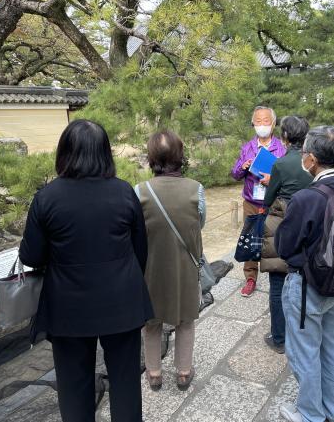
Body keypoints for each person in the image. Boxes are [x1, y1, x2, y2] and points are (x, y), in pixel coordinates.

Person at [19, 119, 153, 422]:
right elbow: (140, 250)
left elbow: (31, 256)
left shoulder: (47, 198)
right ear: (105, 153)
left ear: (64, 153)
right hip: (121, 301)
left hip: (68, 307)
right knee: (126, 382)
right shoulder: (123, 192)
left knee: (73, 385)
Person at [275, 126, 334, 422]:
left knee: (305, 352)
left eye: (304, 154)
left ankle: (311, 414)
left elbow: (285, 246)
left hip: (307, 286)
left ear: (311, 159)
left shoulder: (306, 198)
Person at [135, 130, 205, 392]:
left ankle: (154, 373)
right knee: (185, 319)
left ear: (152, 157)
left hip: (150, 267)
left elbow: (136, 231)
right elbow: (201, 223)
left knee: (150, 322)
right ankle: (184, 373)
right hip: (185, 265)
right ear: (180, 156)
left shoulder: (140, 191)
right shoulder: (195, 189)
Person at [260, 116, 313, 354]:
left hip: (283, 224)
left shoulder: (280, 164)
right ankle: (303, 333)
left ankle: (279, 338)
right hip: (309, 224)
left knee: (278, 282)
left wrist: (270, 182)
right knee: (307, 281)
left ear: (285, 137)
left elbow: (269, 199)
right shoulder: (312, 162)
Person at [231, 106, 286, 297]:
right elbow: (234, 174)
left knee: (273, 238)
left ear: (273, 124)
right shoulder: (247, 147)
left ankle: (276, 276)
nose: (262, 125)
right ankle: (250, 278)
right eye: (258, 121)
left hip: (272, 201)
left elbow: (286, 177)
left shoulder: (281, 148)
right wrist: (243, 166)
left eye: (266, 121)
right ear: (253, 123)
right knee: (250, 239)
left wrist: (274, 179)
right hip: (251, 200)